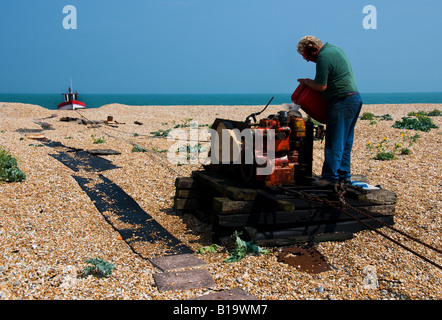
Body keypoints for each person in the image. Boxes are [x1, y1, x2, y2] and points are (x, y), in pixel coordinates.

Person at [296, 35, 362, 186]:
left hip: (341, 100)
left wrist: (305, 82)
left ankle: (329, 178)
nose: (307, 60)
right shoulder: (334, 49)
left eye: (306, 56)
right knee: (345, 141)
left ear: (313, 49)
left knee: (334, 141)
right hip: (354, 99)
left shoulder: (323, 57)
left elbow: (321, 86)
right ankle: (343, 176)